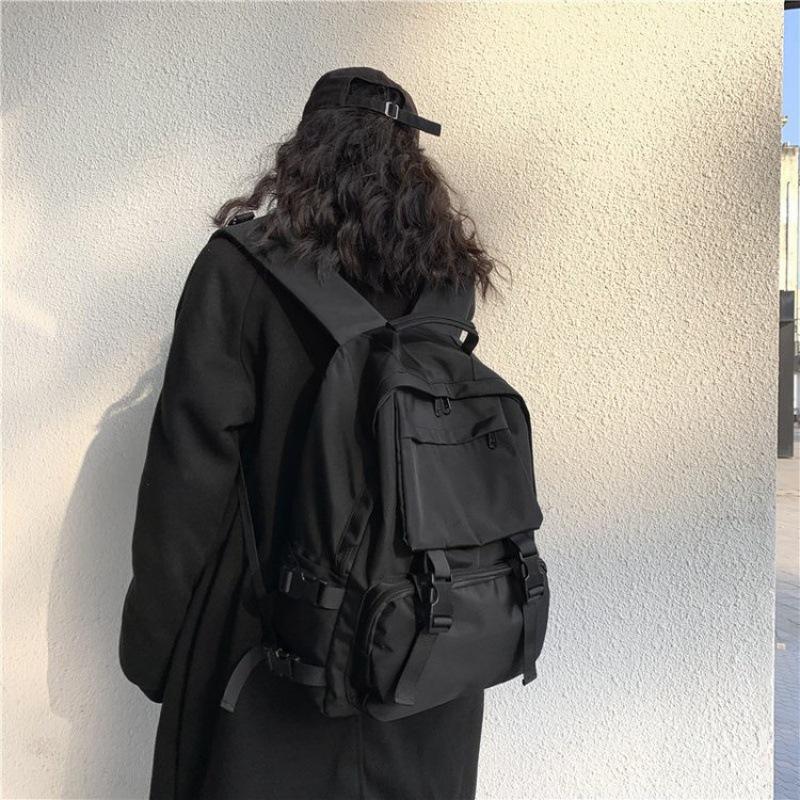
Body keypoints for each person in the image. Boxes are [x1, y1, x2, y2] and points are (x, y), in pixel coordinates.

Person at [119, 66, 505, 800]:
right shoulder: (447, 284)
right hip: (426, 656)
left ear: (301, 154)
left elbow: (186, 483)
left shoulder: (239, 270)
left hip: (268, 663)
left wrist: (157, 652)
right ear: (413, 162)